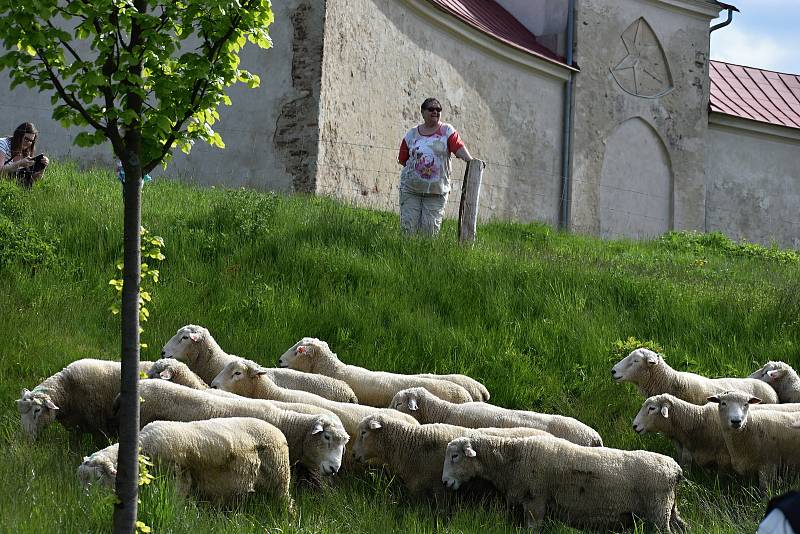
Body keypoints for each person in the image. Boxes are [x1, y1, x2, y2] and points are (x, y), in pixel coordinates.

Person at [398, 97, 472, 236]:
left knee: (430, 233)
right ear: (423, 112)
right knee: (408, 230)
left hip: (436, 192)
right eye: (431, 109)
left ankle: (425, 257)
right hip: (411, 190)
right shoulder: (412, 134)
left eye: (438, 109)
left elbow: (458, 147)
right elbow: (403, 160)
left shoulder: (447, 131)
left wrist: (472, 162)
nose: (435, 112)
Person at [0, 122, 49, 188]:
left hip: (11, 188)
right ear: (18, 135)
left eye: (31, 141)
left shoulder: (26, 152)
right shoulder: (3, 143)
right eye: (26, 139)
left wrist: (42, 167)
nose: (28, 143)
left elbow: (34, 180)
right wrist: (19, 164)